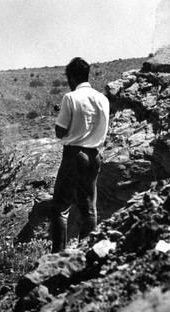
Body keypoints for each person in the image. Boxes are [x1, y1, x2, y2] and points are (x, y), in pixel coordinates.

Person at [50, 57, 110, 253]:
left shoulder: (70, 98)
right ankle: (86, 252)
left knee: (60, 208)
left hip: (75, 155)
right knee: (89, 208)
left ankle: (57, 255)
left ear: (73, 77)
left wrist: (61, 120)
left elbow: (60, 132)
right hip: (94, 156)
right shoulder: (103, 99)